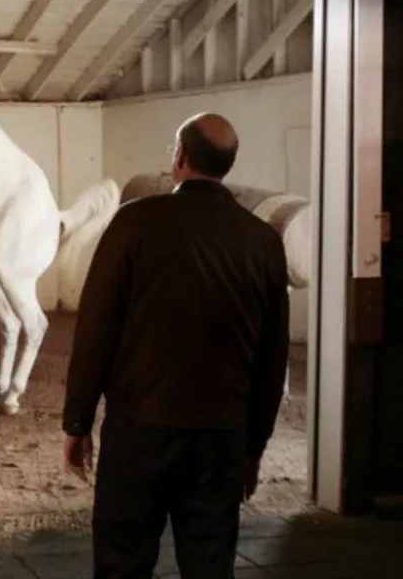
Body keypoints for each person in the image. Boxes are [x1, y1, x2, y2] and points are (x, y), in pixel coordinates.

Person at [61, 112, 290, 579]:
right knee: (210, 565)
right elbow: (272, 356)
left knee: (123, 563)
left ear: (180, 156)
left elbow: (96, 329)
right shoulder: (263, 241)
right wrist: (253, 447)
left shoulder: (134, 224)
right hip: (221, 437)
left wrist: (77, 421)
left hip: (138, 432)